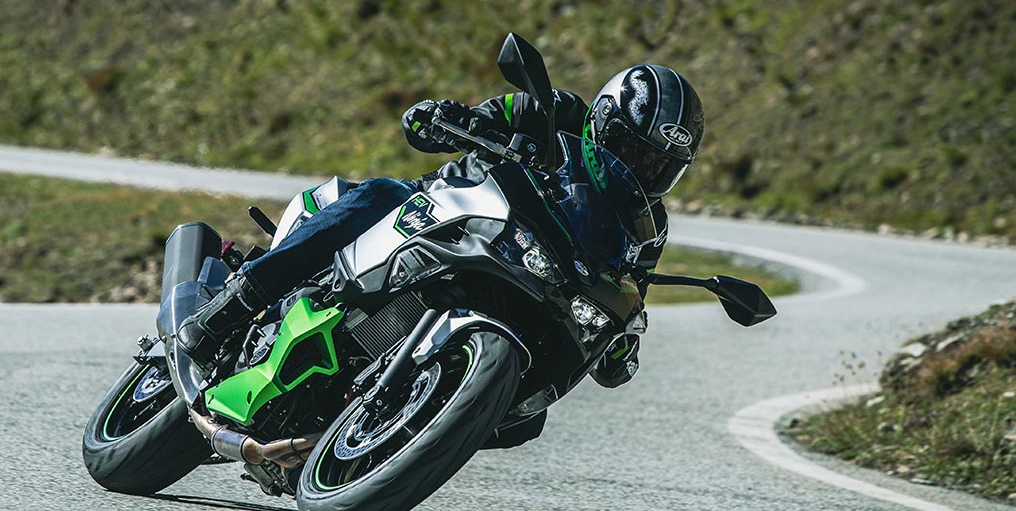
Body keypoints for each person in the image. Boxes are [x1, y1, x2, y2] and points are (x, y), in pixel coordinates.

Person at [176, 62, 705, 400]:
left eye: (659, 165)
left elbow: (630, 293)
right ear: (604, 121)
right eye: (634, 150)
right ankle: (234, 305)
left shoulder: (647, 231)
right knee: (379, 194)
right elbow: (478, 116)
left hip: (530, 275)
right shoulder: (556, 113)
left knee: (528, 418)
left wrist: (623, 341)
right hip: (452, 213)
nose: (640, 170)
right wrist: (450, 118)